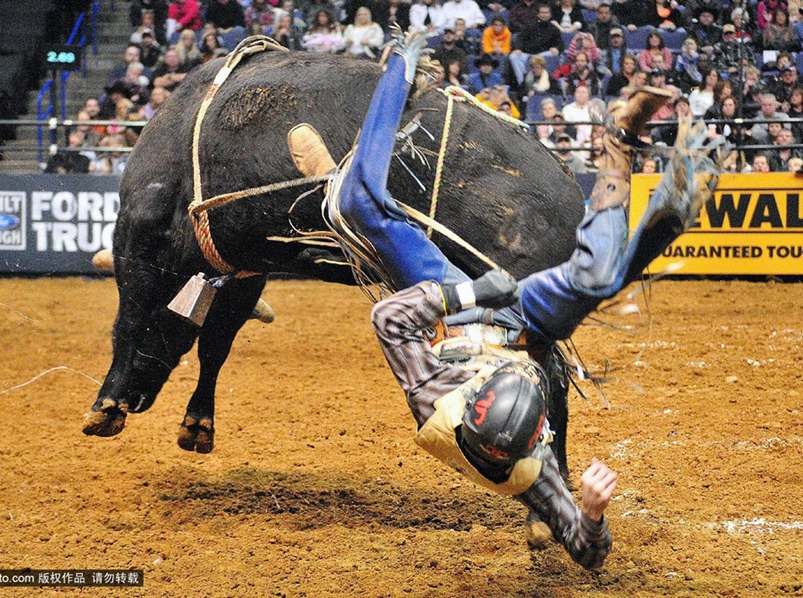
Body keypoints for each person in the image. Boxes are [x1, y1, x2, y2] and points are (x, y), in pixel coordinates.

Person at [287, 30, 720, 569]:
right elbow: (589, 553)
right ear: (538, 432)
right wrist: (590, 514)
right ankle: (618, 141)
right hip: (518, 322)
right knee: (600, 277)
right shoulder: (531, 466)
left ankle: (398, 63)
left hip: (454, 312)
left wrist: (466, 293)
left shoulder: (433, 399)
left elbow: (390, 318)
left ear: (473, 403)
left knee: (355, 204)